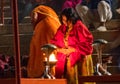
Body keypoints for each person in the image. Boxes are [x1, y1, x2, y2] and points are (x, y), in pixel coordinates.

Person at [50, 8, 94, 84]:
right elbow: (54, 42)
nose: (65, 23)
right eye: (63, 20)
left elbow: (87, 43)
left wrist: (73, 49)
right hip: (66, 58)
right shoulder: (62, 28)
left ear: (72, 18)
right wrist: (60, 50)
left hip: (79, 59)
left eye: (66, 20)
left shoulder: (79, 27)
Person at [27, 5, 61, 78]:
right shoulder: (50, 14)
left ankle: (42, 71)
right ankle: (51, 72)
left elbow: (34, 17)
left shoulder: (37, 11)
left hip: (44, 31)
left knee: (42, 52)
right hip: (56, 33)